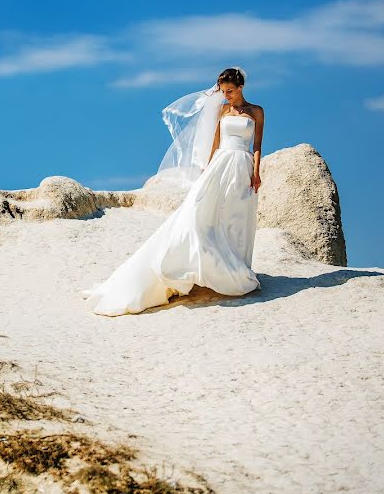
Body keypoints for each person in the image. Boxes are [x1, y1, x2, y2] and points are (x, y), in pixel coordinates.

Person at [80, 66, 264, 316]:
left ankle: (236, 268)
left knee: (236, 217)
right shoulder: (223, 110)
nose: (226, 96)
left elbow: (256, 146)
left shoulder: (256, 112)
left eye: (230, 91)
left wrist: (256, 173)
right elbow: (215, 144)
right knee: (201, 214)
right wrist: (207, 170)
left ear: (241, 87)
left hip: (241, 166)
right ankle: (196, 268)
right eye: (223, 92)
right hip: (220, 165)